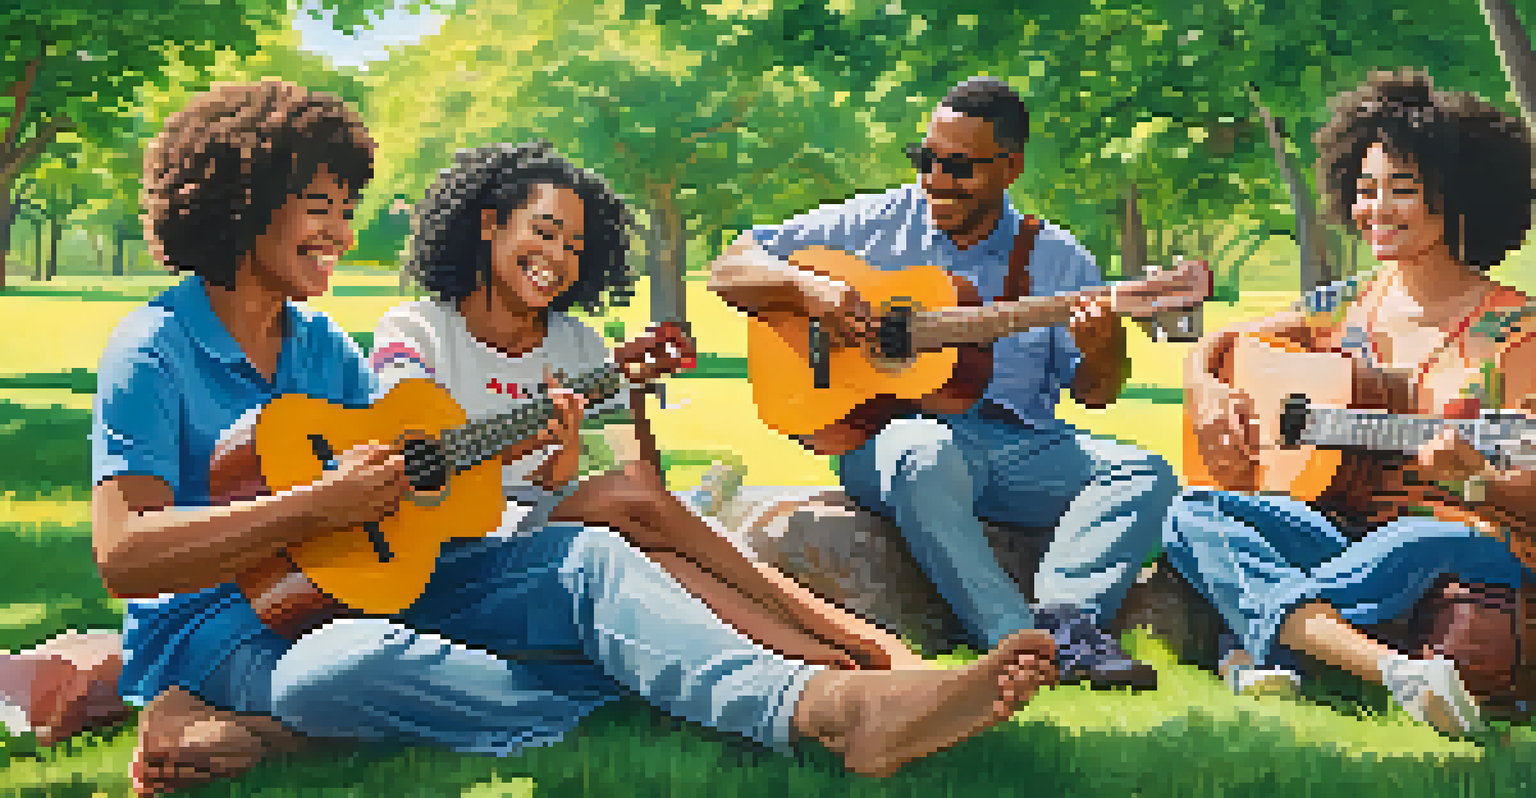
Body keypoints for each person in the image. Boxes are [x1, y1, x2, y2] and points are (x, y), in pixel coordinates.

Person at [90, 81, 1057, 795]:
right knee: (344, 672)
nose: (341, 234)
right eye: (321, 210)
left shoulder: (323, 349)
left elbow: (413, 480)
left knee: (591, 554)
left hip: (371, 585)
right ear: (247, 200)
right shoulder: (156, 351)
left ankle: (837, 708)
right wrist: (319, 503)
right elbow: (127, 557)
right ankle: (260, 727)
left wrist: (513, 468)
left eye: (347, 211)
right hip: (224, 634)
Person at [709, 76, 1190, 689]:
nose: (935, 178)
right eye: (925, 159)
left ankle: (1069, 621)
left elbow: (1096, 393)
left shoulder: (1060, 260)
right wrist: (812, 289)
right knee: (925, 451)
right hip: (894, 438)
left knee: (1146, 474)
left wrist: (1105, 346)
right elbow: (730, 268)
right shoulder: (872, 222)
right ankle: (1014, 639)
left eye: (958, 166)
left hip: (1022, 447)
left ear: (1010, 167)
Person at [370, 140, 924, 673]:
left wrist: (624, 395)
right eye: (545, 232)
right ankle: (849, 640)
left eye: (575, 247)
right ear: (489, 224)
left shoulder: (580, 348)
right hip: (452, 552)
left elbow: (645, 487)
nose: (558, 258)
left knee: (662, 548)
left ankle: (828, 657)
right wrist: (526, 456)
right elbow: (409, 448)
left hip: (542, 531)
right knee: (630, 514)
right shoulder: (416, 330)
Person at [1172, 68, 1536, 735]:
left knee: (1413, 537)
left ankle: (1266, 648)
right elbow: (1225, 340)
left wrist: (1479, 480)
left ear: (1459, 197)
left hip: (1462, 541)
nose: (1375, 211)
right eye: (1364, 191)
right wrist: (1204, 388)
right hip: (1347, 529)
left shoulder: (1518, 333)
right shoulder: (1350, 301)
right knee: (1196, 510)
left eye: (1402, 190)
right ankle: (1395, 673)